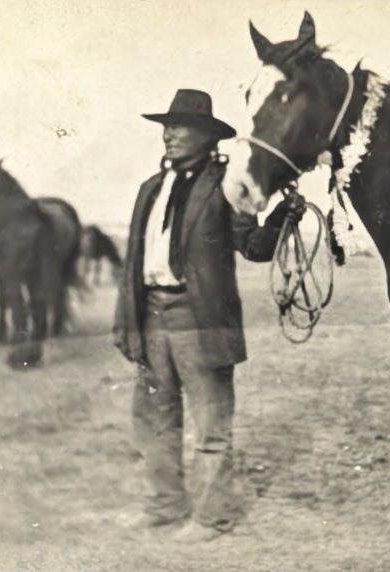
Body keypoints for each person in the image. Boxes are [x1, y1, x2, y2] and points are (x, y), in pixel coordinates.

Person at [113, 89, 304, 542]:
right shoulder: (150, 188)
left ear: (206, 136)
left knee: (211, 425)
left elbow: (252, 246)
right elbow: (132, 262)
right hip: (150, 315)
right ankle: (164, 505)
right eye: (166, 126)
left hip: (199, 319)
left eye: (180, 126)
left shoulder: (225, 185)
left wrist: (282, 219)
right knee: (155, 418)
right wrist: (127, 323)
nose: (169, 134)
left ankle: (212, 516)